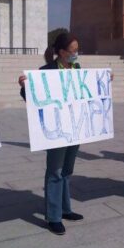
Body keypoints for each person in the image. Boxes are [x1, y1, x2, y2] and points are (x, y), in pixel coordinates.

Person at [18, 33, 84, 235]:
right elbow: (35, 99)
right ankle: (54, 217)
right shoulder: (45, 71)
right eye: (73, 51)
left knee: (67, 170)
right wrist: (25, 87)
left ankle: (65, 209)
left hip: (74, 127)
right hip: (56, 129)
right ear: (62, 52)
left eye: (77, 50)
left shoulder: (77, 69)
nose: (76, 54)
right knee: (55, 171)